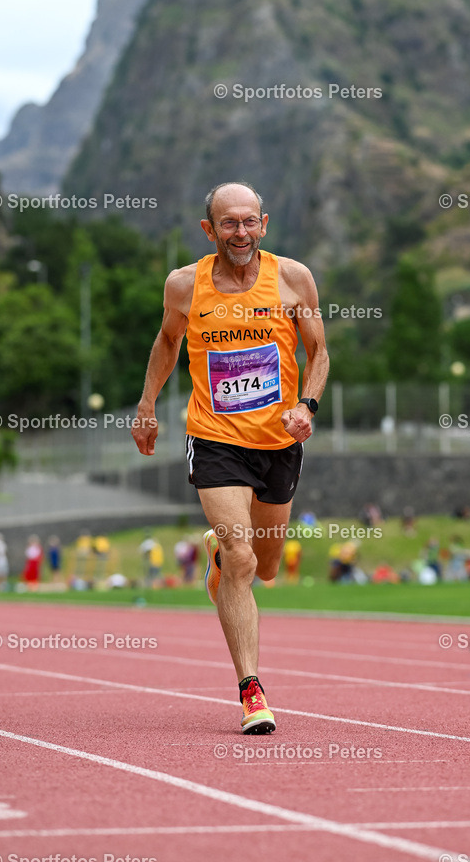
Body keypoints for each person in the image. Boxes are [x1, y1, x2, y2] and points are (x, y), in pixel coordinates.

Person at [132, 182, 329, 734]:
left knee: (263, 567)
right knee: (242, 556)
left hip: (278, 442)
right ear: (209, 230)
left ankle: (222, 565)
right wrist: (147, 405)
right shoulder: (183, 286)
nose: (239, 233)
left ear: (263, 224)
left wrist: (307, 406)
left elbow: (319, 351)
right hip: (214, 436)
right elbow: (168, 342)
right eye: (228, 224)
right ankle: (251, 690)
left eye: (248, 222)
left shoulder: (293, 278)